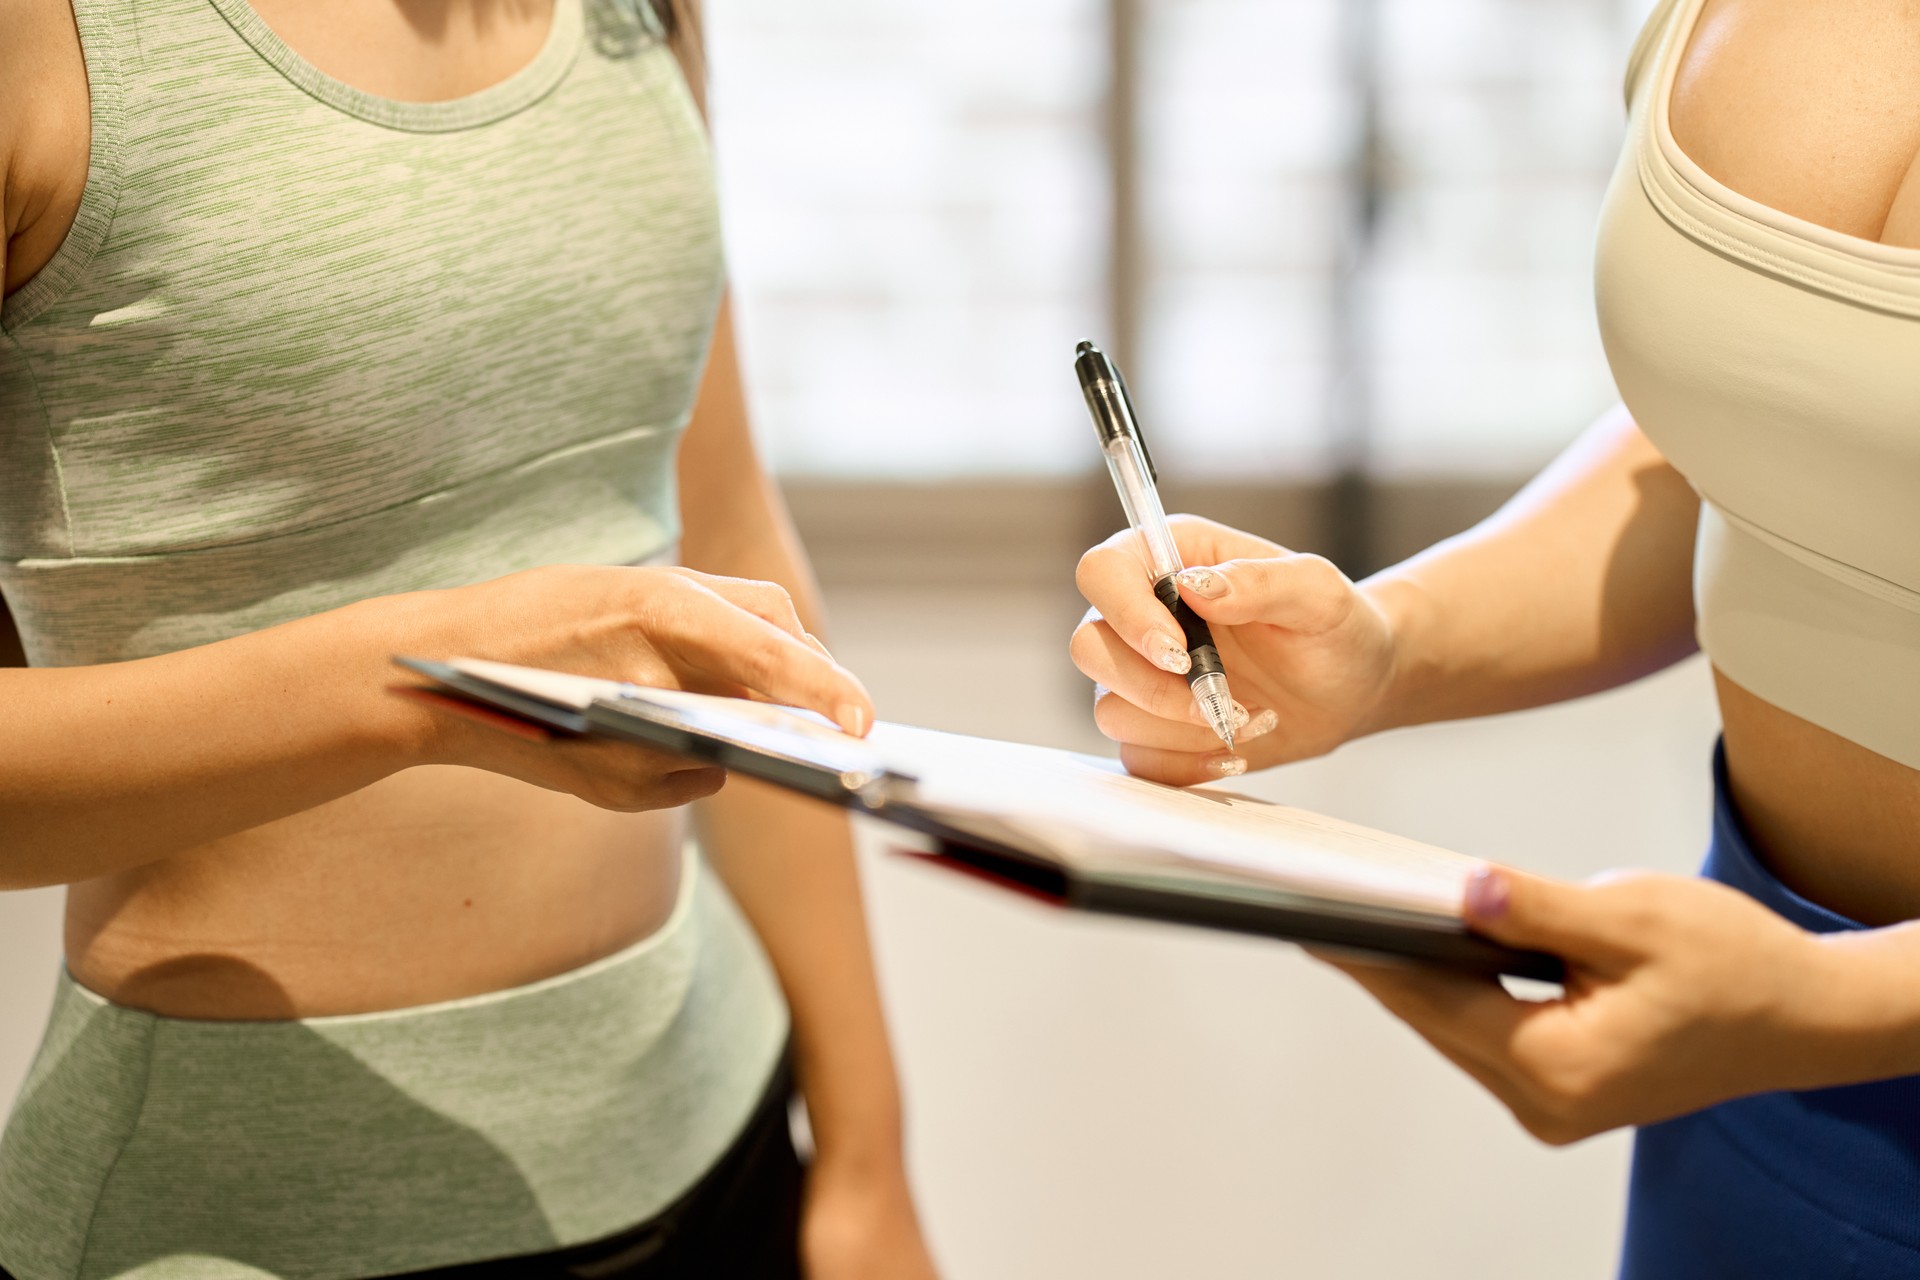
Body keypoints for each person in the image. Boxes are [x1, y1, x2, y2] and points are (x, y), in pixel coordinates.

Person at [0, 0, 939, 1276]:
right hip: (246, 1218)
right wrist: (432, 689)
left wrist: (868, 1155)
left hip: (719, 1123)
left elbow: (729, 541)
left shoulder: (636, 17)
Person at [1072, 0, 1919, 1274]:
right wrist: (1386, 643)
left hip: (1788, 1015)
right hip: (1747, 1072)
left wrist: (1840, 1003)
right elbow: (1775, 429)